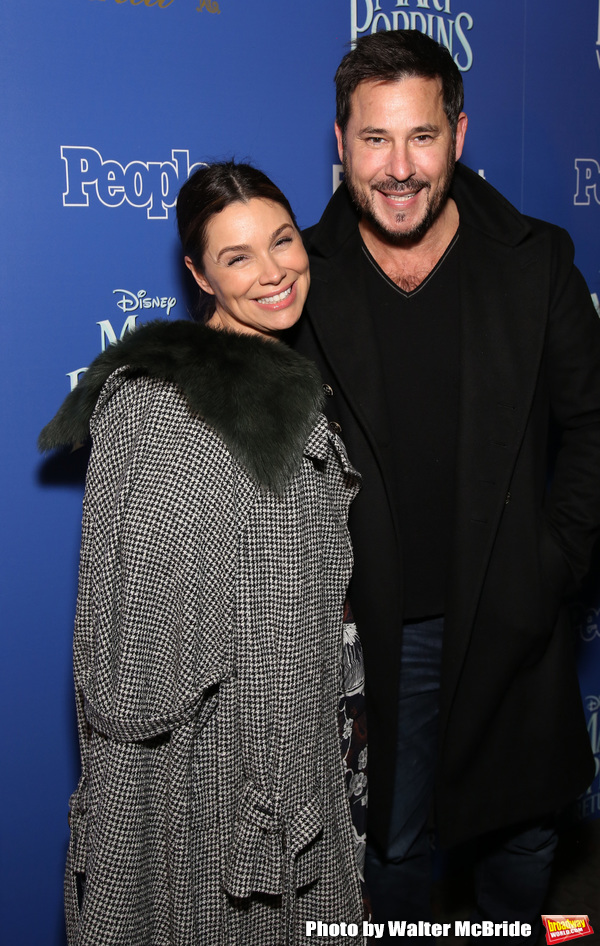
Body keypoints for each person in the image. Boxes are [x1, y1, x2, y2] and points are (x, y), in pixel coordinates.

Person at [287, 29, 600, 941]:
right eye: (375, 139)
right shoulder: (295, 279)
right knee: (389, 850)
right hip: (374, 627)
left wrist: (553, 564)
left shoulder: (534, 260)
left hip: (509, 603)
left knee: (526, 836)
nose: (398, 168)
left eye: (421, 136)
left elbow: (590, 427)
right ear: (339, 142)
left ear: (459, 135)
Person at [39, 162, 366, 946]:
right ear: (199, 275)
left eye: (283, 241)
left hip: (307, 743)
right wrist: (265, 763)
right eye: (238, 256)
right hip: (218, 781)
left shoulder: (288, 376)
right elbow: (136, 674)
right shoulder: (164, 407)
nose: (274, 271)